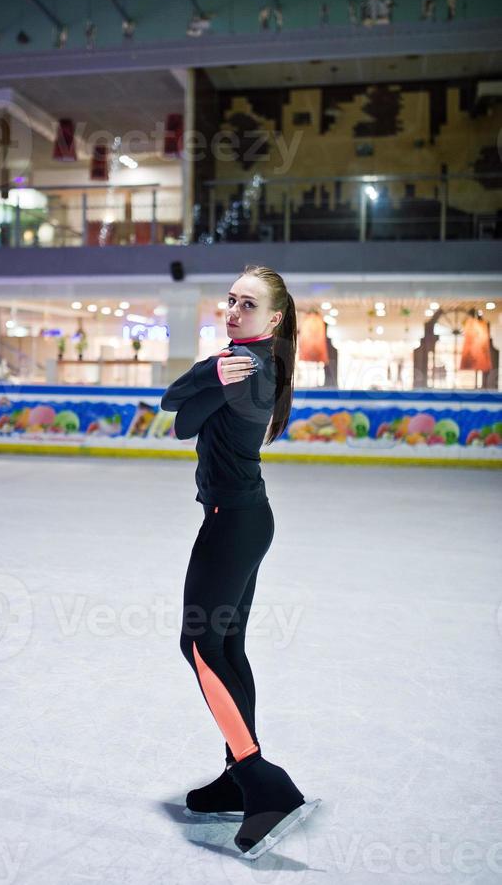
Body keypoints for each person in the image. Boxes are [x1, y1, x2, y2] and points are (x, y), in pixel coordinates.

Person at [160, 264, 321, 859]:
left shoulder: (248, 365)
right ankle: (235, 775)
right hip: (245, 520)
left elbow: (172, 399)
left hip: (234, 525)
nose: (233, 311)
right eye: (230, 300)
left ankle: (260, 780)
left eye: (247, 305)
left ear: (274, 319)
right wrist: (210, 372)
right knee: (226, 647)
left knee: (199, 646)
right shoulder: (248, 361)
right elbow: (183, 422)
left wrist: (207, 372)